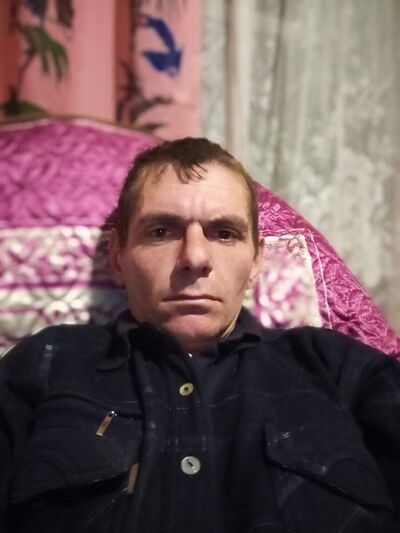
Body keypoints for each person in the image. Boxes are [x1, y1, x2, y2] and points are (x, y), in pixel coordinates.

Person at [0, 137, 399, 533]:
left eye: (224, 233)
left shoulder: (339, 367)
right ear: (117, 256)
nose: (194, 257)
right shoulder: (47, 362)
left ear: (256, 260)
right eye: (161, 231)